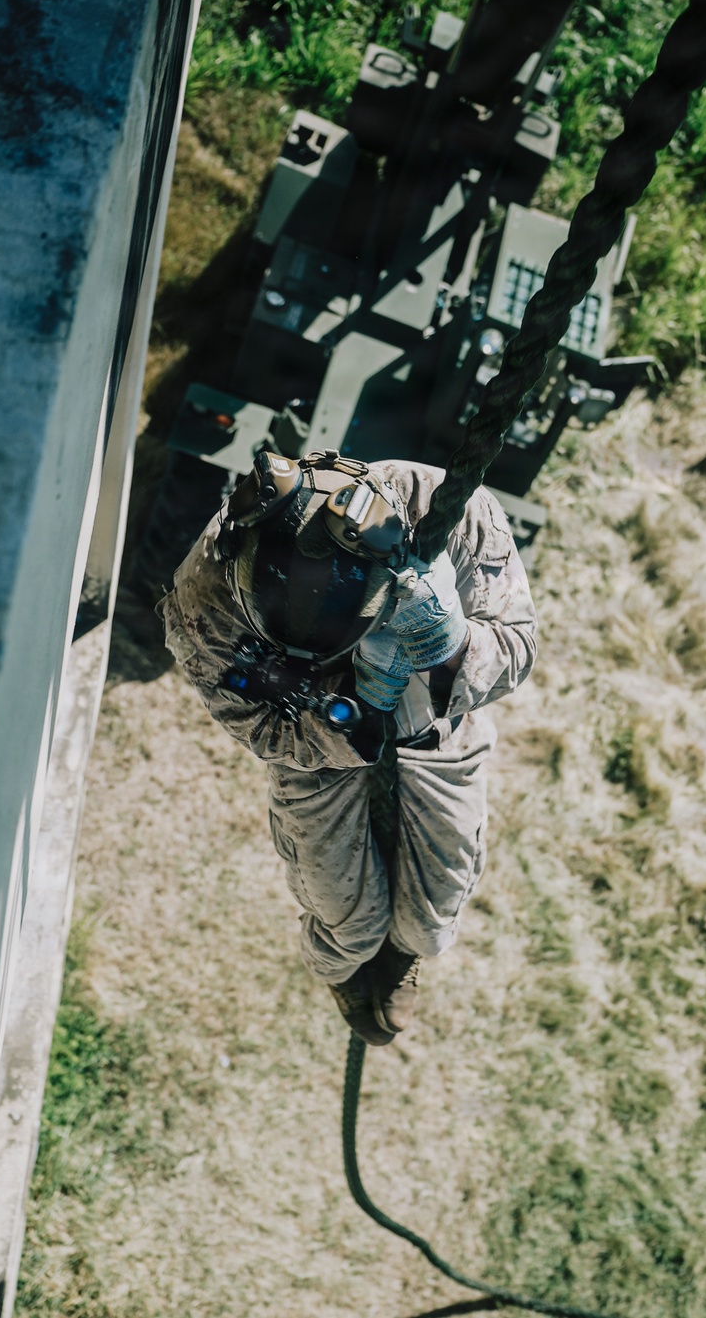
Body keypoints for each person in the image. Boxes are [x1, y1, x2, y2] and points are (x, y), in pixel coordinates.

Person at [159, 448, 537, 1046]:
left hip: (436, 716)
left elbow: (516, 647)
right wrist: (346, 709)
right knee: (348, 923)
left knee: (434, 918)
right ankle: (346, 967)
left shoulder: (448, 511)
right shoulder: (206, 596)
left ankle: (403, 954)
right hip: (312, 739)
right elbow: (259, 725)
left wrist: (448, 643)